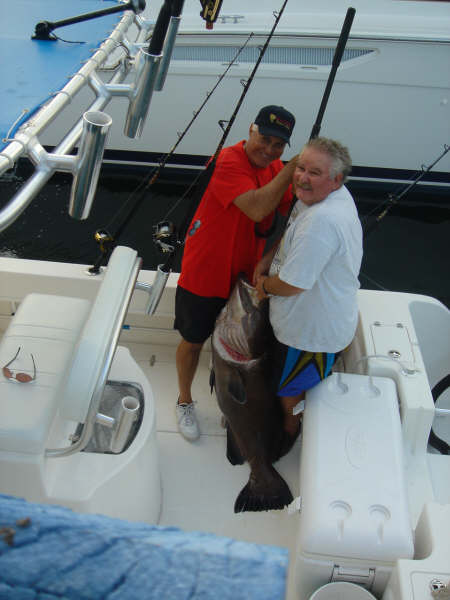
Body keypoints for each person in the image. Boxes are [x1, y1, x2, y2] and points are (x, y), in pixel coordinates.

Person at [174, 105, 298, 441]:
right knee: (194, 339)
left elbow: (294, 214)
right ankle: (184, 400)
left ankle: (232, 406)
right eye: (265, 139)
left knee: (240, 349)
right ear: (250, 130)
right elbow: (258, 207)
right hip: (206, 269)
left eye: (279, 145)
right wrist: (290, 170)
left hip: (245, 274)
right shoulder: (228, 161)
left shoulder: (276, 168)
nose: (270, 150)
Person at [255, 137, 363, 446]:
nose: (302, 177)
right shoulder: (323, 197)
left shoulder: (322, 222)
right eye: (300, 167)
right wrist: (266, 259)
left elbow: (292, 284)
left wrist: (263, 286)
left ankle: (287, 437)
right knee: (282, 382)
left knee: (290, 392)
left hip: (310, 336)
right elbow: (292, 233)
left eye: (314, 172)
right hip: (302, 325)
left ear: (335, 180)